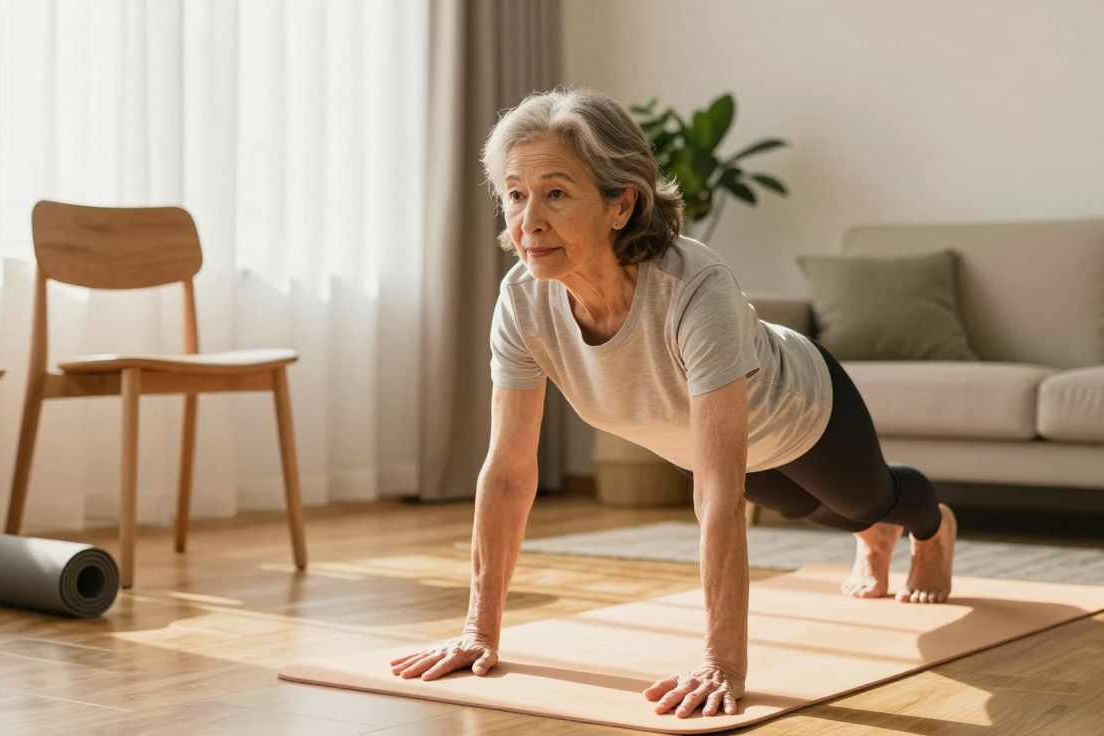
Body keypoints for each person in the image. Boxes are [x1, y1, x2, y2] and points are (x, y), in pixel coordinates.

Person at [389, 87, 957, 719]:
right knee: (807, 511)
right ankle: (870, 536)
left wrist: (723, 663)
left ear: (621, 204)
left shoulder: (693, 286)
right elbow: (509, 470)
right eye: (516, 194)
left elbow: (718, 491)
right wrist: (479, 631)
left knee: (867, 500)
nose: (529, 221)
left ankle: (931, 528)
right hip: (719, 446)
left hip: (802, 409)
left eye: (555, 192)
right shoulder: (523, 301)